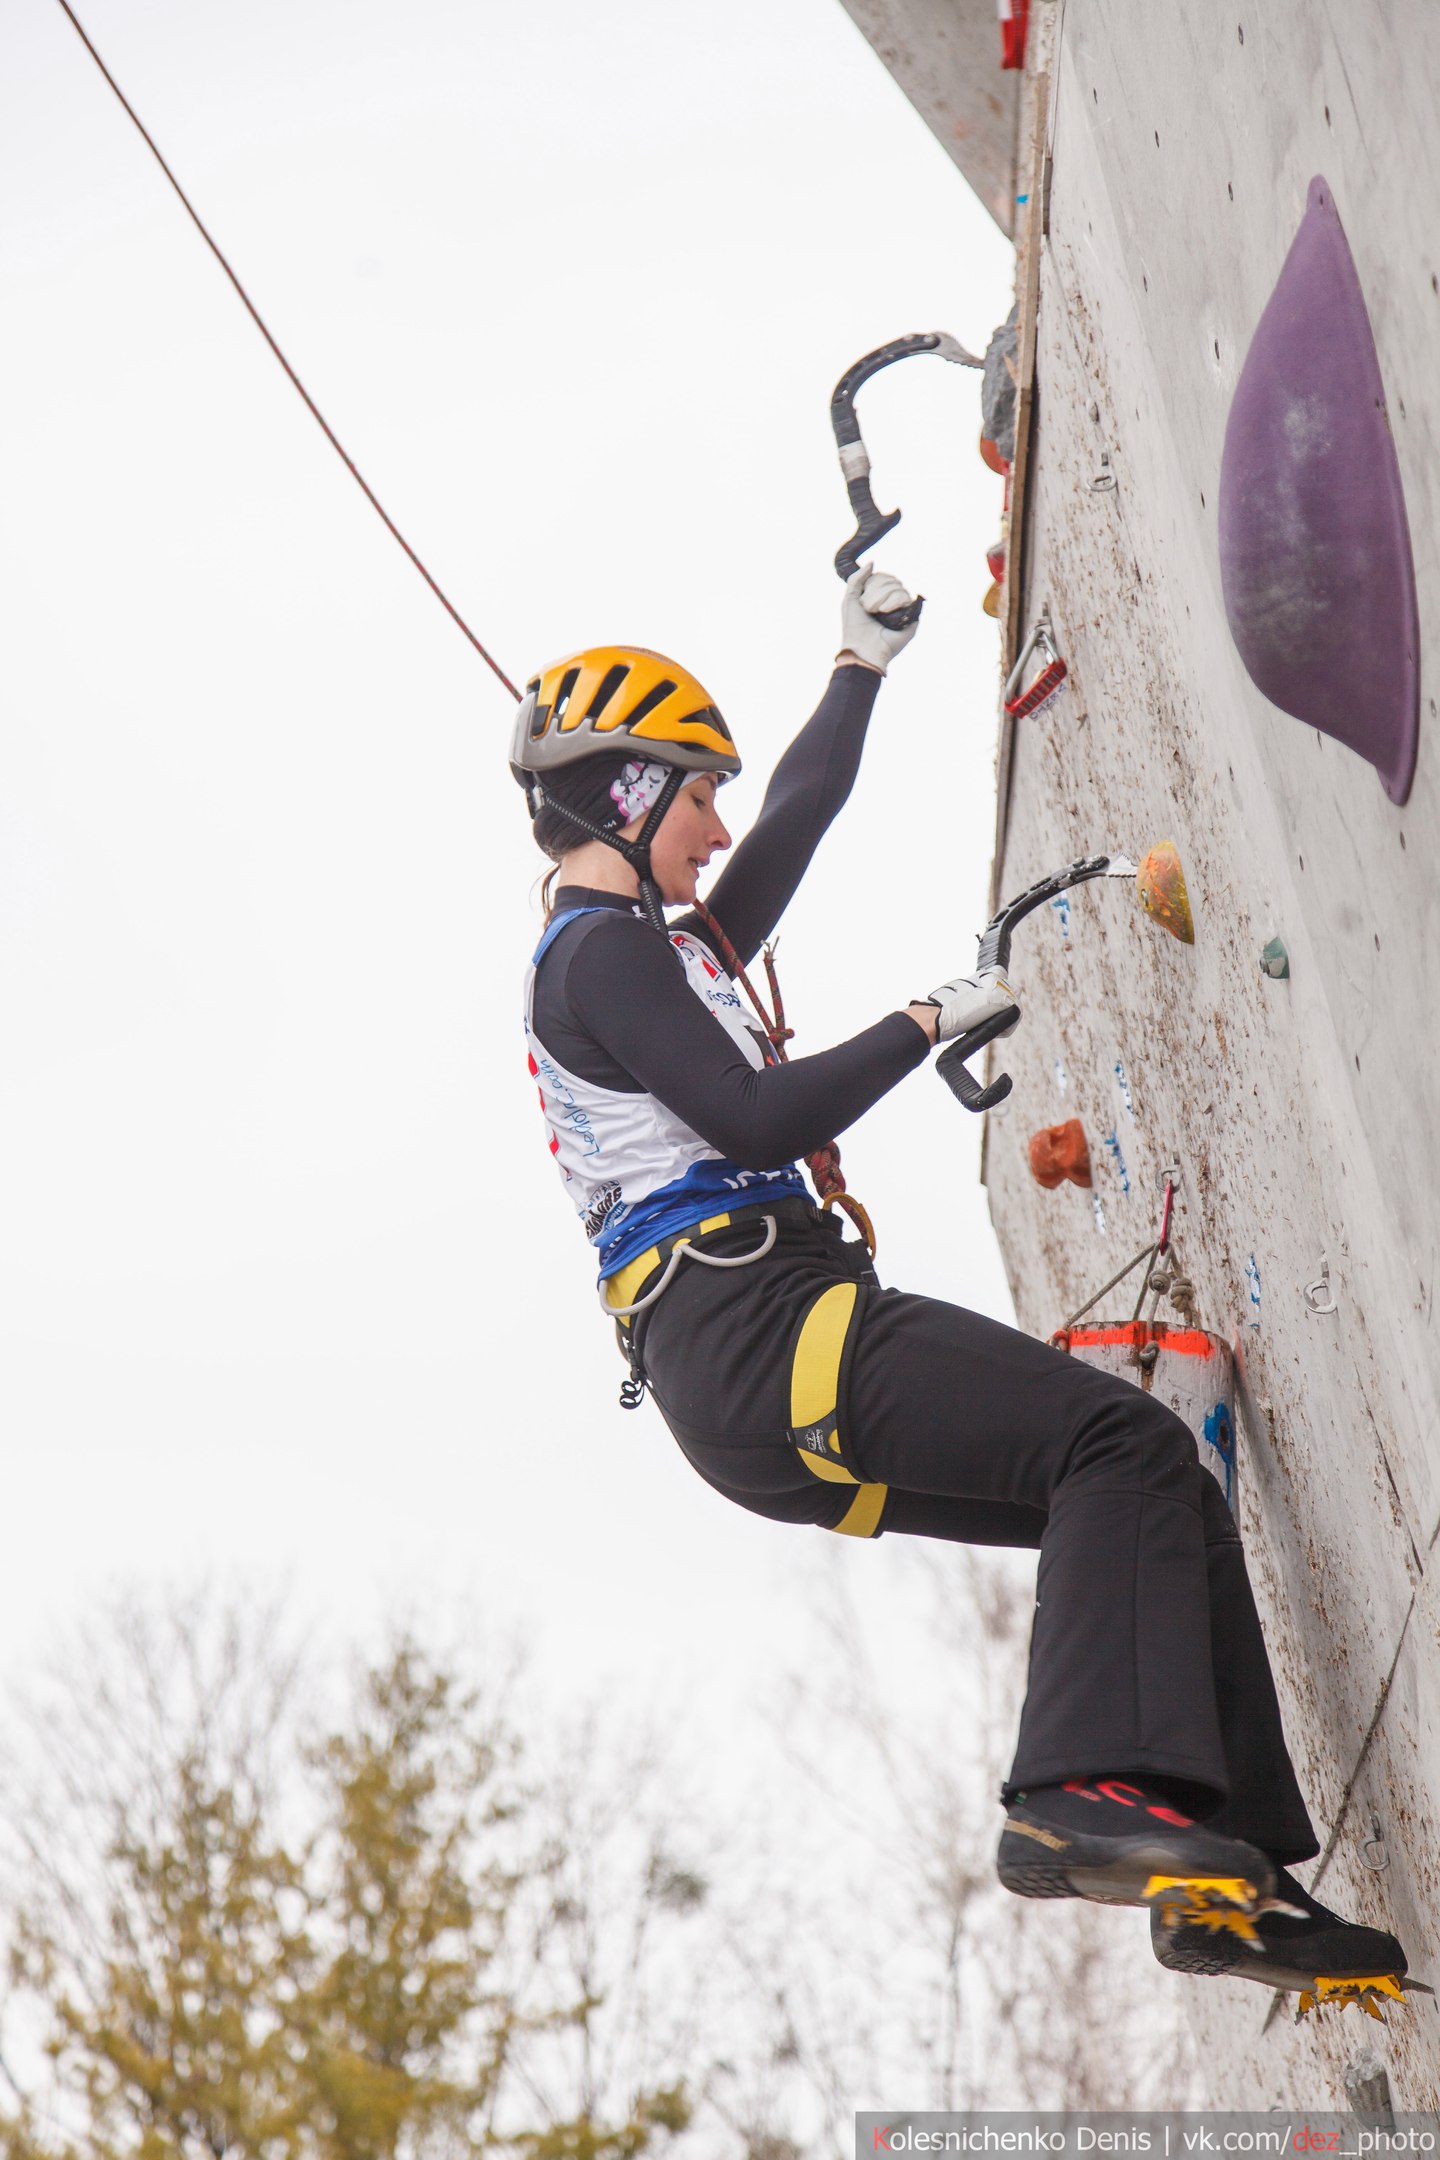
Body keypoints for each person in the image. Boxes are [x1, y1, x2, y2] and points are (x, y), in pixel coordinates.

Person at [514, 567, 1409, 2009]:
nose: (720, 828)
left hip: (747, 1364)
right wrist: (926, 1018)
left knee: (1153, 1486)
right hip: (755, 1327)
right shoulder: (598, 961)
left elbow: (800, 816)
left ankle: (1220, 1861)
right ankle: (1071, 1793)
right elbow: (753, 1125)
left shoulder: (659, 955)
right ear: (627, 793)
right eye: (695, 799)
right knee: (1113, 1443)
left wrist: (859, 664)